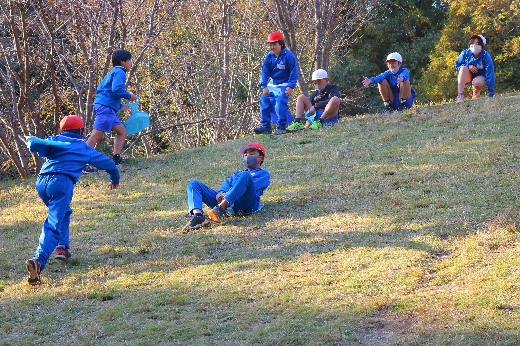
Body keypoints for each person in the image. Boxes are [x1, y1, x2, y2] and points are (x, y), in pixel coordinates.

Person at [25, 115, 120, 285]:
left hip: (42, 182)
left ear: (62, 130)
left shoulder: (54, 140)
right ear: (82, 131)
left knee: (63, 213)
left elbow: (41, 146)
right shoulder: (83, 147)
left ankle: (62, 248)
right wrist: (115, 179)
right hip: (61, 183)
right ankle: (38, 260)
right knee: (53, 223)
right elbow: (108, 164)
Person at [184, 142, 270, 231]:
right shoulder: (238, 174)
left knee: (245, 175)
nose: (248, 156)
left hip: (246, 205)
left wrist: (227, 195)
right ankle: (198, 216)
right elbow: (227, 184)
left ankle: (222, 207)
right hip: (226, 202)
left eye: (252, 154)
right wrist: (221, 192)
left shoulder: (263, 174)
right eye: (245, 154)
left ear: (261, 158)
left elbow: (251, 187)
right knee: (193, 184)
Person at [85, 49, 137, 168]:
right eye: (129, 60)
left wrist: (119, 105)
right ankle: (81, 161)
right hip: (105, 108)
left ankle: (116, 158)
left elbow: (107, 92)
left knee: (122, 131)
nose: (131, 62)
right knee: (96, 135)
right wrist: (130, 96)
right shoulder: (120, 72)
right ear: (122, 61)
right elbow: (117, 90)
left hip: (107, 107)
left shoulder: (113, 72)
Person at [254, 31, 299, 135]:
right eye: (270, 44)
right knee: (264, 100)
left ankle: (281, 126)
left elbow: (294, 71)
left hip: (284, 84)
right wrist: (264, 86)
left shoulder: (288, 55)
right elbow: (265, 72)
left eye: (274, 44)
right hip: (272, 84)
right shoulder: (269, 57)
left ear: (281, 44)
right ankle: (265, 126)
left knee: (280, 102)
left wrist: (291, 86)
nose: (272, 47)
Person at [455, 34, 495, 103]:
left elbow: (490, 73)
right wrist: (468, 66)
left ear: (482, 46)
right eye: (472, 42)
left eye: (477, 43)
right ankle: (460, 95)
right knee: (463, 68)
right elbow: (457, 65)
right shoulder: (465, 53)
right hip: (468, 76)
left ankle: (476, 93)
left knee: (477, 82)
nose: (474, 45)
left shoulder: (486, 56)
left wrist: (491, 92)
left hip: (480, 77)